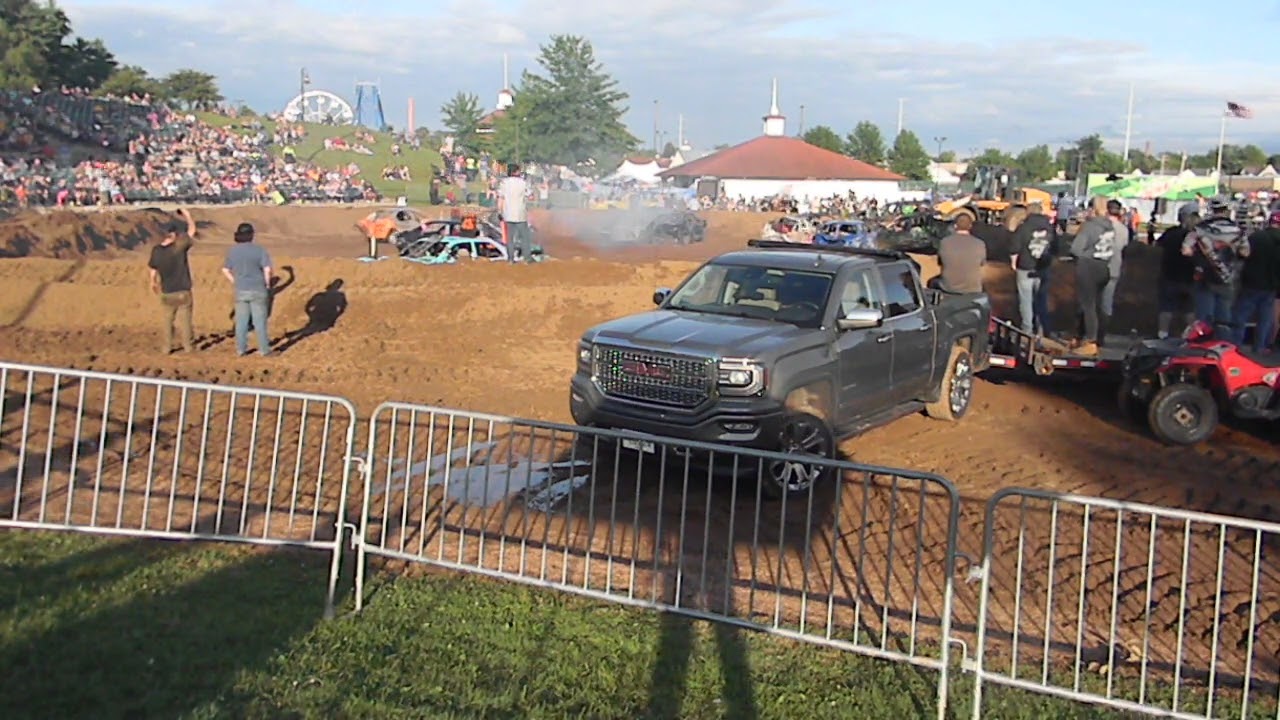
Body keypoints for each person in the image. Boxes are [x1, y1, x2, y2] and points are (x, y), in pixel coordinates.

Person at [1182, 206, 1249, 335]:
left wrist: (1200, 254)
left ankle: (1202, 348)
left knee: (1204, 317)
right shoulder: (1238, 230)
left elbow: (1186, 251)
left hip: (1204, 277)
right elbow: (1245, 252)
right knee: (1224, 318)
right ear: (1226, 210)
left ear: (1212, 210)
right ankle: (1222, 347)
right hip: (1227, 278)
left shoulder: (1200, 228)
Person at [147, 208, 198, 354]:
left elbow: (153, 269)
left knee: (167, 321)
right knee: (186, 321)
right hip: (183, 289)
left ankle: (166, 347)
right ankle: (188, 347)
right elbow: (192, 230)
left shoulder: (156, 251)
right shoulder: (178, 247)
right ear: (174, 235)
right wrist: (188, 215)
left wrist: (153, 282)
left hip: (167, 291)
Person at [1069, 203, 1117, 357]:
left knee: (1087, 305)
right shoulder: (1109, 226)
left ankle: (1090, 341)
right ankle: (1080, 337)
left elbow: (1076, 248)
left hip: (1088, 266)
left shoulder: (1089, 226)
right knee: (1093, 304)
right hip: (1104, 266)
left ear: (1094, 210)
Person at [221, 222, 274, 357]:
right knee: (259, 322)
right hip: (258, 288)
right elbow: (267, 269)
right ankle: (264, 350)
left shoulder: (233, 251)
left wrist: (235, 281)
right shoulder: (260, 250)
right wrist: (267, 284)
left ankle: (241, 350)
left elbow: (225, 270)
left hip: (241, 290)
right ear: (251, 235)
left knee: (241, 322)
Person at [1231, 211, 1280, 352]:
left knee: (1241, 315)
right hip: (1271, 285)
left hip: (1251, 282)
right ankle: (1260, 347)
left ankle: (1236, 346)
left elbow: (1242, 254)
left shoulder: (1256, 237)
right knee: (1265, 318)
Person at [1010, 201, 1056, 335]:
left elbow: (1014, 247)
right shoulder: (1050, 227)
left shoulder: (1023, 227)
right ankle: (1042, 329)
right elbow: (1056, 247)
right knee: (1041, 299)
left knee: (1025, 300)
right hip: (1043, 267)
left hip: (1025, 267)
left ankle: (1027, 330)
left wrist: (1014, 263)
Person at [1154, 210, 1199, 338]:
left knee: (1166, 308)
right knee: (1189, 310)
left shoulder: (1170, 233)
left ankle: (1162, 335)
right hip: (1189, 277)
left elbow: (1157, 246)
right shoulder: (1196, 236)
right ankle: (1192, 336)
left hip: (1169, 275)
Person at [1098, 200, 1130, 344]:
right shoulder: (1123, 229)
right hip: (1114, 268)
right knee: (1106, 304)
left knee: (1090, 301)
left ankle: (1087, 334)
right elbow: (1124, 247)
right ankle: (1101, 336)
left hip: (1097, 266)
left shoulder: (1099, 227)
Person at [932, 213, 985, 293]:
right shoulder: (980, 243)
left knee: (931, 282)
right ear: (970, 226)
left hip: (948, 288)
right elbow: (982, 263)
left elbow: (940, 263)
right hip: (973, 289)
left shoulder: (944, 242)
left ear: (955, 226)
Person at [497, 163, 532, 264]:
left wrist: (499, 210)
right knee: (524, 237)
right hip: (520, 213)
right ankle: (527, 258)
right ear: (516, 171)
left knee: (510, 238)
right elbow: (530, 196)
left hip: (508, 213)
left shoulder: (504, 183)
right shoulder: (523, 182)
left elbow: (501, 197)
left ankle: (510, 259)